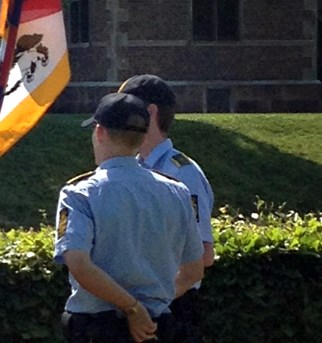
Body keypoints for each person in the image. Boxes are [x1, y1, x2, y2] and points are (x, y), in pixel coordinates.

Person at [54, 92, 204, 343]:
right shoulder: (177, 192)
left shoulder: (80, 193)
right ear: (143, 136)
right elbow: (193, 271)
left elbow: (79, 264)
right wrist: (149, 306)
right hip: (155, 327)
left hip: (98, 330)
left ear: (100, 132)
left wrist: (133, 308)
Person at [118, 74, 215, 342]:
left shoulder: (184, 174)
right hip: (136, 307)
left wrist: (151, 306)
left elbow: (203, 254)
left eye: (127, 107)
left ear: (150, 112)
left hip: (172, 307)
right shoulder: (130, 169)